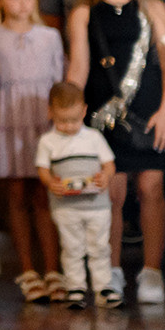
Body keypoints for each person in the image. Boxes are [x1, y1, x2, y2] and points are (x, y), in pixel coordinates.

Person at [66, 0, 165, 307]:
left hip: (149, 108)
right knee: (111, 192)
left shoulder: (152, 7)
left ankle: (152, 270)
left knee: (151, 188)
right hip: (103, 112)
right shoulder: (84, 11)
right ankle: (110, 269)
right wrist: (70, 110)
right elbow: (79, 67)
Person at [0, 0, 68, 302]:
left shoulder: (50, 37)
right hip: (9, 120)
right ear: (0, 0)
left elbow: (59, 82)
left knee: (44, 194)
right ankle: (28, 269)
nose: (23, 3)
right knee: (16, 195)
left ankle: (53, 269)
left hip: (42, 121)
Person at [37, 82, 116, 309]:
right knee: (72, 247)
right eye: (62, 121)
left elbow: (109, 164)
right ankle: (76, 287)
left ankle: (104, 287)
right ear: (50, 112)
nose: (69, 126)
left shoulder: (93, 137)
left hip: (97, 205)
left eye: (74, 120)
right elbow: (42, 169)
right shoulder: (48, 141)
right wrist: (51, 182)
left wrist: (105, 177)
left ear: (84, 111)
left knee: (99, 246)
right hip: (66, 208)